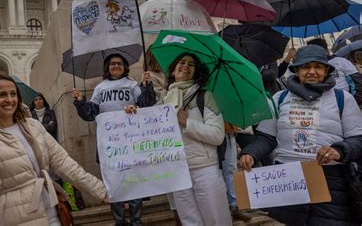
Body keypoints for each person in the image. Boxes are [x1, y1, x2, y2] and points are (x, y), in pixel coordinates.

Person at [0, 71, 107, 226]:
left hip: (51, 213)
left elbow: (65, 163)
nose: (9, 99)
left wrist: (100, 191)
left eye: (13, 94)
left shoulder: (33, 126)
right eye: (2, 95)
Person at [240, 45, 362, 225]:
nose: (312, 71)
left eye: (318, 67)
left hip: (331, 181)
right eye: (305, 67)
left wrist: (339, 150)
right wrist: (251, 153)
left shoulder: (343, 98)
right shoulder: (279, 98)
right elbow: (267, 137)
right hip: (287, 180)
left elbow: (358, 139)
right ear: (296, 70)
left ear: (326, 69)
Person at [72, 53, 155, 226]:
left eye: (119, 64)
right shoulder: (100, 88)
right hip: (109, 145)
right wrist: (80, 101)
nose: (115, 66)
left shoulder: (132, 84)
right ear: (107, 68)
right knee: (113, 184)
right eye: (112, 64)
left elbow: (146, 105)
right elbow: (90, 113)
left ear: (125, 67)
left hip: (131, 141)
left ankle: (136, 221)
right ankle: (119, 221)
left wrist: (147, 86)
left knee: (134, 182)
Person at [152, 52, 232, 226]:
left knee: (216, 220)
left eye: (191, 64)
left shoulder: (205, 97)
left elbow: (217, 135)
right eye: (182, 62)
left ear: (196, 72)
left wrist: (186, 122)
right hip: (177, 171)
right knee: (190, 222)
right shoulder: (163, 101)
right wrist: (132, 113)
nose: (186, 66)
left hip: (205, 170)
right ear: (173, 71)